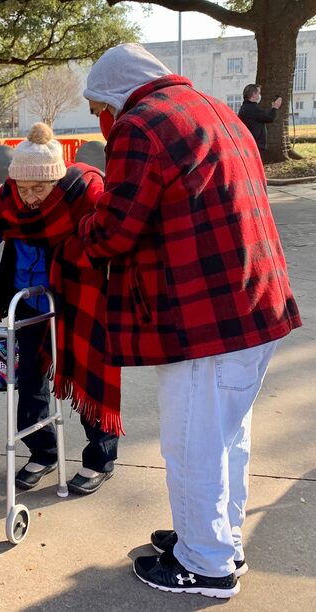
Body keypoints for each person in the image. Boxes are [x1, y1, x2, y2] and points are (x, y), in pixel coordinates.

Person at [80, 43, 300, 598]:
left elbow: (113, 232)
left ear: (113, 97)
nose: (100, 122)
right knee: (225, 437)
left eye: (98, 109)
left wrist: (81, 222)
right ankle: (217, 539)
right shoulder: (215, 109)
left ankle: (205, 566)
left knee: (192, 443)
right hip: (254, 304)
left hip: (206, 320)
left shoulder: (140, 126)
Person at [0, 123, 121, 495]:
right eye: (23, 189)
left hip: (75, 299)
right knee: (30, 381)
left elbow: (110, 229)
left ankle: (100, 459)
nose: (31, 198)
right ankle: (43, 451)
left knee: (87, 375)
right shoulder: (10, 195)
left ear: (57, 179)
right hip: (26, 303)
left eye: (40, 189)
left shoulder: (85, 189)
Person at [237, 84, 282, 152]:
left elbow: (262, 116)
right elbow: (269, 118)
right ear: (254, 94)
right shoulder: (252, 108)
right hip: (254, 144)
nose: (259, 96)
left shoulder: (246, 107)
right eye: (259, 93)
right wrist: (275, 107)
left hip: (249, 143)